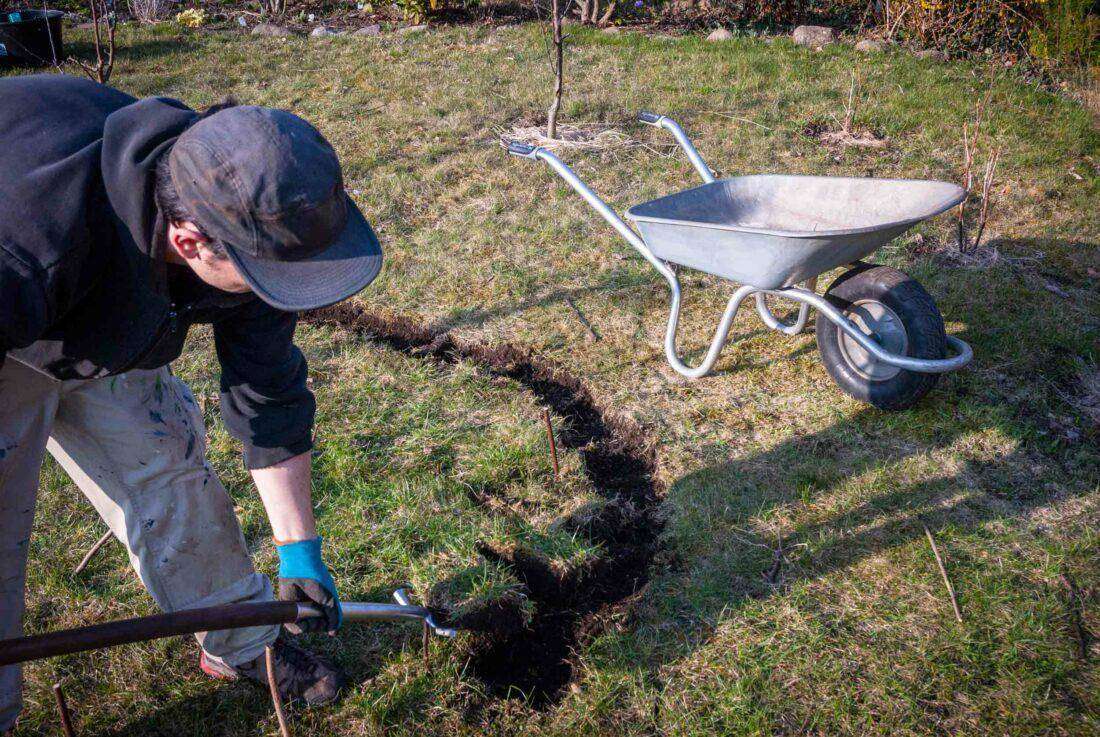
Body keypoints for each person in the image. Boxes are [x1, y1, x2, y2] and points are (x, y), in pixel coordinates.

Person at [0, 74, 384, 732]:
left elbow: (268, 392)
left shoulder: (244, 205)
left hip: (104, 312)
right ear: (188, 243)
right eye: (272, 277)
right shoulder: (33, 244)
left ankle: (243, 640)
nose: (285, 290)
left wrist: (298, 549)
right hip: (20, 302)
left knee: (169, 465)